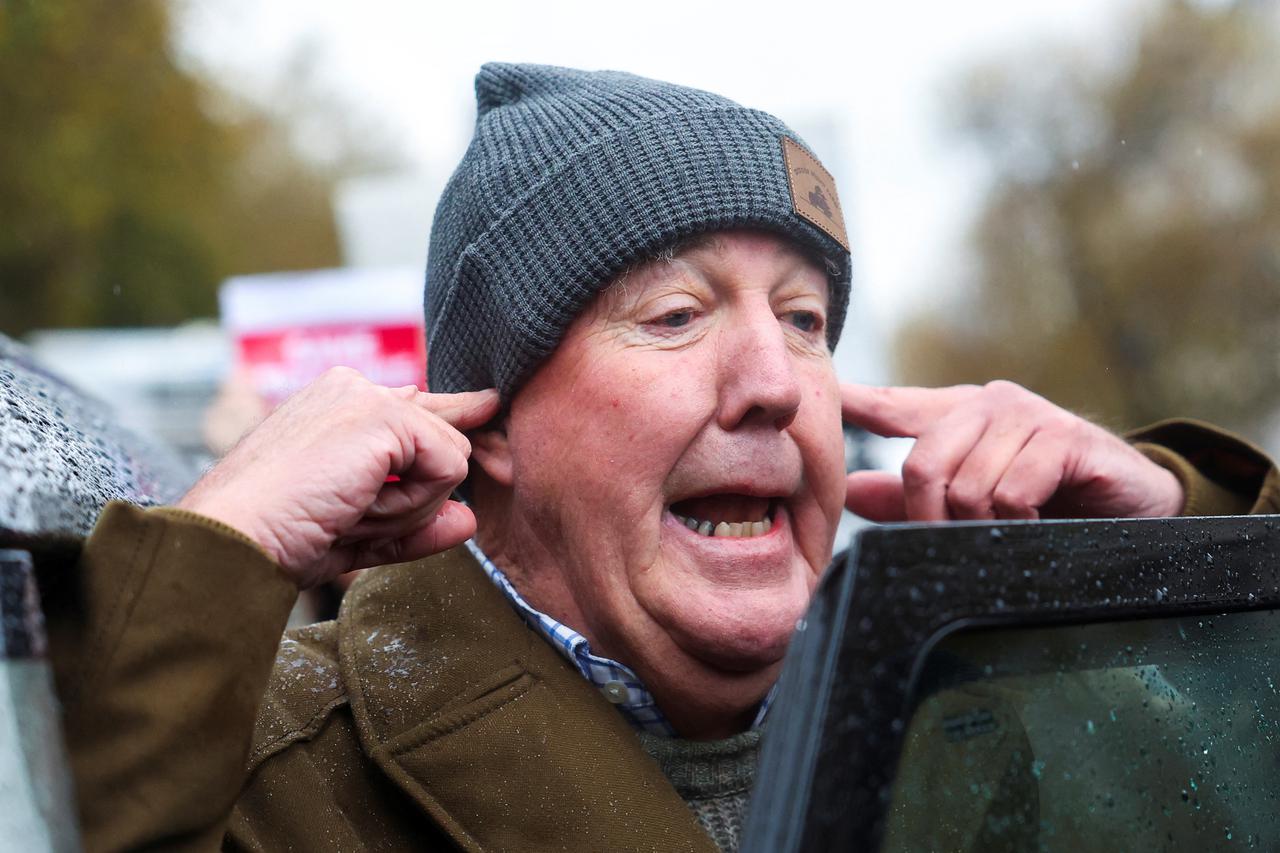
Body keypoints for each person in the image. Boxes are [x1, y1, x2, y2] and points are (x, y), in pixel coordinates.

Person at [47, 63, 1279, 853]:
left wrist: (1197, 547)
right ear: (491, 429)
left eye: (803, 320)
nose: (774, 384)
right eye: (675, 315)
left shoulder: (1018, 701)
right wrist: (225, 544)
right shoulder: (264, 773)